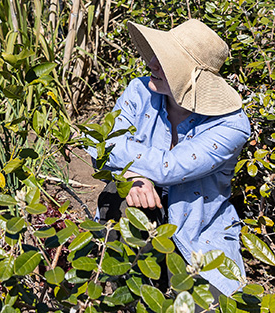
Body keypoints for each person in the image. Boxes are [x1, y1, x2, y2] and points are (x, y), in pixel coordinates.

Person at [94, 19, 250, 298]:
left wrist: (129, 166)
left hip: (200, 230)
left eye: (166, 61)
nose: (152, 63)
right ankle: (129, 287)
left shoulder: (232, 125)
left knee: (205, 302)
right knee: (118, 193)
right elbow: (98, 143)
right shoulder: (139, 91)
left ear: (193, 78)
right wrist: (133, 176)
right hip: (143, 214)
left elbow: (171, 167)